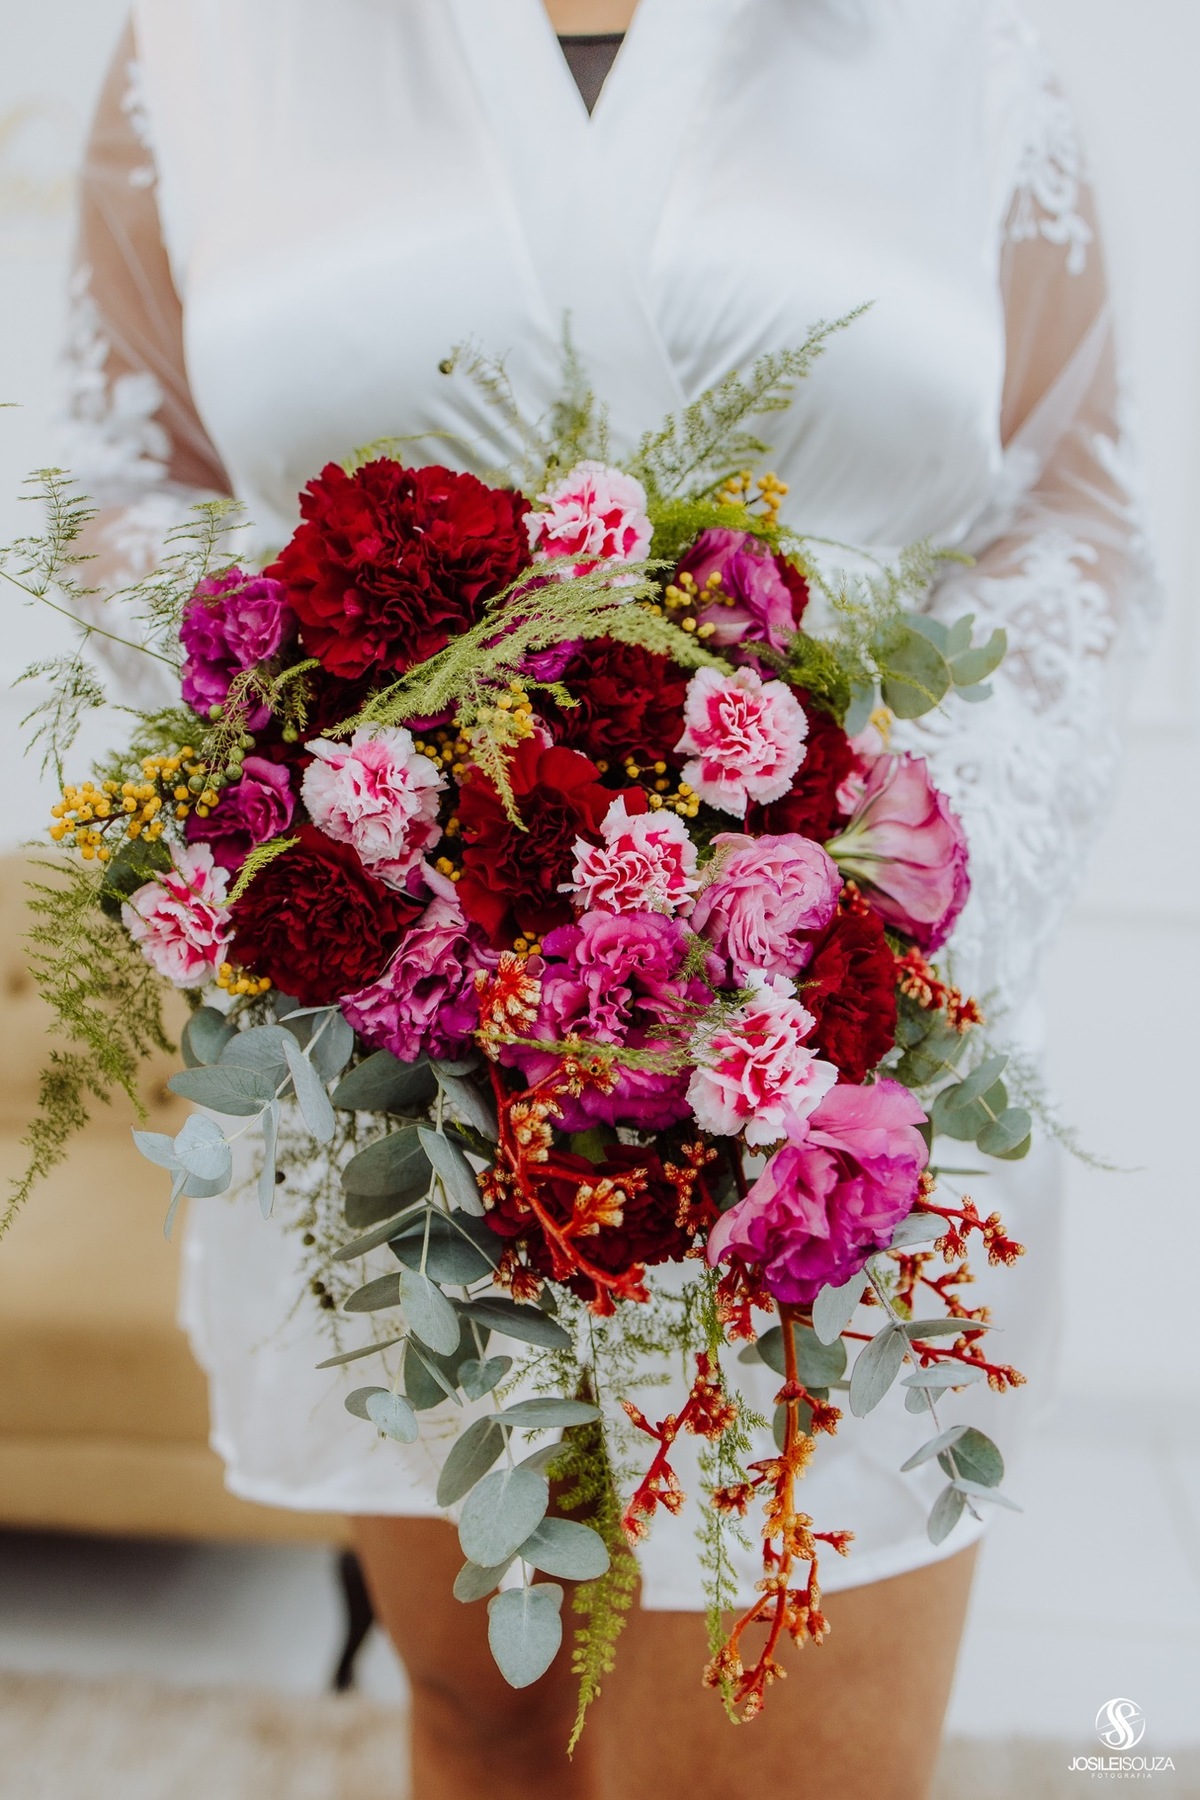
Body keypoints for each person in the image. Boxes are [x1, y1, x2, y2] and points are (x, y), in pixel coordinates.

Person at [62, 2, 1155, 1795]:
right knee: (485, 1723)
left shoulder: (962, 38)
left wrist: (858, 889)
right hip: (392, 1085)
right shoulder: (208, 39)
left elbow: (1074, 512)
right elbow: (125, 482)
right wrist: (340, 779)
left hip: (822, 1070)